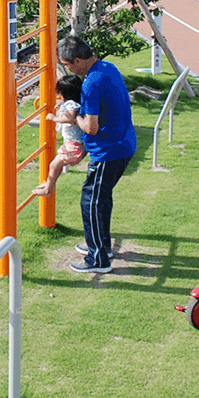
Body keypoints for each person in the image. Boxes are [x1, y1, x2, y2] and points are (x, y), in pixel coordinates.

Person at [58, 35, 136, 273]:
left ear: (79, 60)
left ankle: (98, 258)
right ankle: (101, 246)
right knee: (101, 199)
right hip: (124, 143)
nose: (68, 69)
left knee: (91, 200)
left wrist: (74, 117)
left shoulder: (91, 83)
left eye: (69, 65)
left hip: (108, 151)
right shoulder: (108, 68)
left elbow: (90, 126)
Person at [32, 74, 85, 197]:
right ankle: (49, 184)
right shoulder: (77, 102)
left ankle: (47, 189)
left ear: (64, 93)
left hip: (73, 147)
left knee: (53, 165)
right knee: (58, 166)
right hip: (77, 146)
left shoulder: (71, 104)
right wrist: (61, 107)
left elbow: (70, 117)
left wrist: (54, 118)